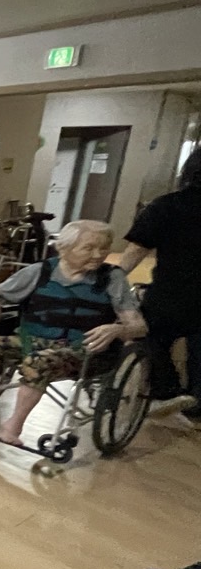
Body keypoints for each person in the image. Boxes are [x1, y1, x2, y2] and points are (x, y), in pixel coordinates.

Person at [0, 220, 147, 445]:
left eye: (104, 248)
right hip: (32, 341)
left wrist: (117, 329)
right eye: (89, 248)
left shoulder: (112, 278)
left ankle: (13, 428)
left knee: (37, 361)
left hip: (83, 351)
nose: (98, 255)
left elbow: (140, 327)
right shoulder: (41, 271)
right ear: (63, 248)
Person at [120, 147, 201, 421]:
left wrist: (107, 281)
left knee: (147, 333)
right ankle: (197, 401)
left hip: (171, 293)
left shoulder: (167, 205)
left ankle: (167, 389)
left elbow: (134, 253)